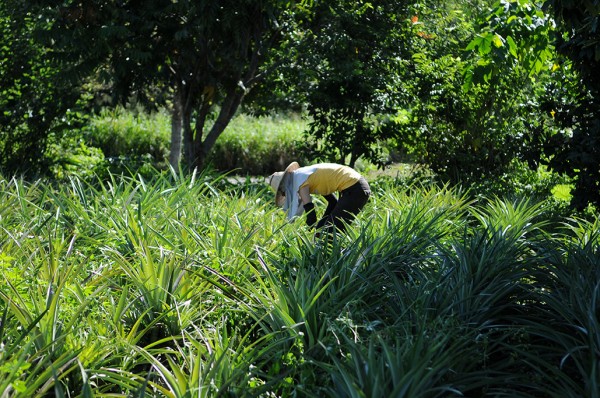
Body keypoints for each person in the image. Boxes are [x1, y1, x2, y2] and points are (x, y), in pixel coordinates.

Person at [268, 162, 371, 232]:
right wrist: (321, 225)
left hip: (354, 189)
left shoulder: (300, 182)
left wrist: (310, 231)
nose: (285, 195)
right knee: (331, 229)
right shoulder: (308, 175)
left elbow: (311, 215)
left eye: (283, 193)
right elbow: (332, 202)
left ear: (285, 187)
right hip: (357, 187)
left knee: (330, 231)